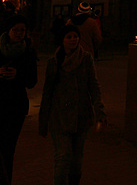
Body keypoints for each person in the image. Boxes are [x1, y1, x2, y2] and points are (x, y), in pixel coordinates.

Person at [39, 24, 107, 185]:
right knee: (62, 157)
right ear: (62, 40)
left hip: (80, 116)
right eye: (68, 37)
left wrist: (99, 111)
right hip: (59, 117)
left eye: (75, 36)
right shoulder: (54, 62)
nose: (73, 39)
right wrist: (43, 120)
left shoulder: (86, 59)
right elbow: (47, 92)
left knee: (76, 162)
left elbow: (93, 86)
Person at [0, 15, 37, 184]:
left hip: (15, 106)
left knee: (8, 149)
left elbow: (32, 80)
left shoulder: (28, 51)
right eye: (16, 29)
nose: (19, 33)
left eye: (22, 30)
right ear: (8, 30)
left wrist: (18, 75)